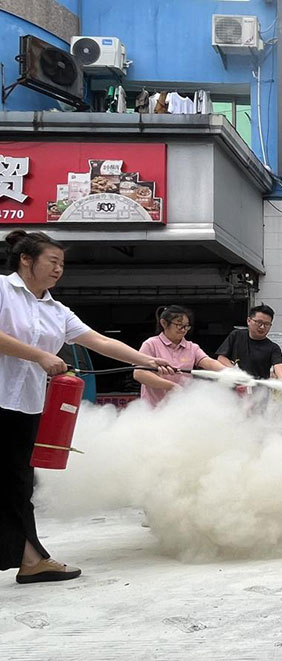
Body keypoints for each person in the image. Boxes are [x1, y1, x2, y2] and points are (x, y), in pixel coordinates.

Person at [0, 230, 174, 584]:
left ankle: (32, 559)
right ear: (26, 259)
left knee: (18, 484)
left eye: (62, 264)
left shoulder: (56, 310)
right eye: (53, 261)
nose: (59, 269)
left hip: (28, 405)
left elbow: (99, 341)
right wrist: (40, 355)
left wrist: (149, 360)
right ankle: (32, 558)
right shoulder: (2, 291)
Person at [134, 305, 226, 406]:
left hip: (181, 410)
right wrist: (171, 386)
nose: (183, 330)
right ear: (164, 323)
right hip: (153, 409)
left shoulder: (192, 347)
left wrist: (228, 372)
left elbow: (208, 362)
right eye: (179, 325)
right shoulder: (151, 344)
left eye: (186, 326)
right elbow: (139, 373)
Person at [215, 304, 282, 381]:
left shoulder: (273, 348)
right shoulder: (236, 335)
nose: (262, 327)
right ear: (249, 321)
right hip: (234, 385)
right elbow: (221, 358)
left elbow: (279, 365)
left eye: (267, 324)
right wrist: (236, 373)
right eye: (259, 322)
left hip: (259, 389)